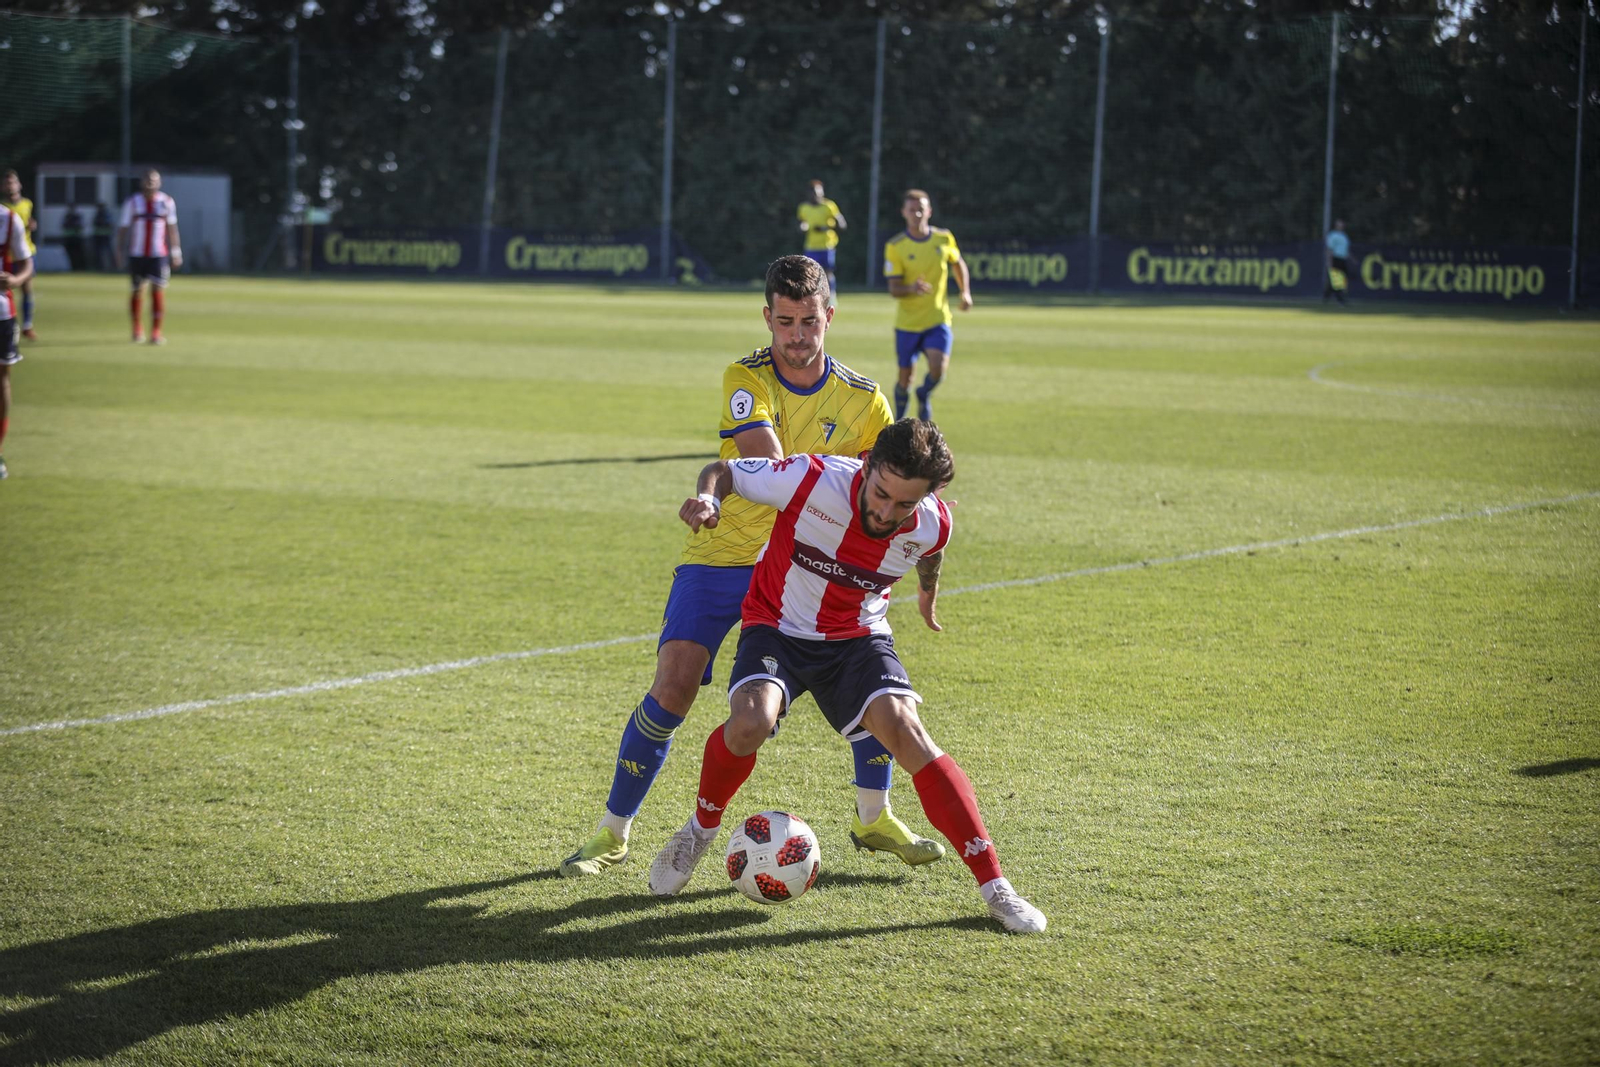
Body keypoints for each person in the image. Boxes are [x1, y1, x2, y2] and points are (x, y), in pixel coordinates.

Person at [560, 255, 945, 879]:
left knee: (869, 675)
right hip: (725, 552)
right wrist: (714, 496)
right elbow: (768, 463)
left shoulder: (867, 402)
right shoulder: (747, 376)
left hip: (810, 567)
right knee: (674, 687)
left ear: (830, 317)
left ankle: (873, 816)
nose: (797, 336)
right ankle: (612, 832)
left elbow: (882, 491)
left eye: (809, 322)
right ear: (767, 317)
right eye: (785, 321)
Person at [648, 420, 1047, 934]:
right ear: (868, 465)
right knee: (749, 722)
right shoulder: (811, 479)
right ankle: (699, 830)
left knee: (909, 732)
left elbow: (931, 546)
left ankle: (997, 888)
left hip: (857, 639)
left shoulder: (931, 522)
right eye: (881, 493)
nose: (886, 512)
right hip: (778, 626)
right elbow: (722, 470)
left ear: (927, 497)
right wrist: (709, 499)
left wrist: (929, 589)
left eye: (904, 504)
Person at [884, 189, 971, 423]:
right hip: (907, 323)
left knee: (938, 369)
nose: (917, 213)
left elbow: (958, 263)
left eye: (921, 209)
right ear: (904, 213)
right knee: (905, 378)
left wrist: (965, 292)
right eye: (912, 209)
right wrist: (912, 288)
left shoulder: (943, 238)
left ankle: (924, 394)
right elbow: (894, 288)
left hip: (937, 319)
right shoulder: (896, 246)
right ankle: (899, 421)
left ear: (929, 211)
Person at [116, 169, 182, 344]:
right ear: (141, 182)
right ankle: (137, 329)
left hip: (158, 254)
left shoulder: (166, 202)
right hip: (137, 254)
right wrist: (119, 251)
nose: (150, 182)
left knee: (157, 289)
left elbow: (172, 229)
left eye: (154, 180)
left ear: (159, 183)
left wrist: (176, 252)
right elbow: (123, 229)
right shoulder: (132, 202)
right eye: (147, 179)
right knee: (137, 290)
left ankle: (156, 332)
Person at [0, 201, 35, 479]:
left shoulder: (9, 219)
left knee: (2, 379)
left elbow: (26, 264)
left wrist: (14, 279)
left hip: (2, 313)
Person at [2, 170, 39, 340]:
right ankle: (10, 322)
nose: (11, 186)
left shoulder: (27, 204)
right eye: (7, 183)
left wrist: (32, 225)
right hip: (7, 256)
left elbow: (30, 222)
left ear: (19, 185)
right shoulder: (3, 209)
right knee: (5, 291)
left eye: (13, 182)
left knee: (26, 289)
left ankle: (27, 325)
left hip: (26, 252)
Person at [796, 179, 846, 300]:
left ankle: (831, 297)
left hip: (826, 245)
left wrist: (825, 228)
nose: (817, 197)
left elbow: (842, 224)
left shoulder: (829, 206)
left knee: (828, 272)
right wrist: (803, 227)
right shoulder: (803, 208)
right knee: (809, 273)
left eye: (819, 194)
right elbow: (800, 224)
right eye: (814, 194)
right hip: (811, 246)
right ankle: (811, 297)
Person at [1324, 219, 1350, 306]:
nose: (1341, 226)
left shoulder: (1344, 236)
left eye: (1342, 224)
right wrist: (1329, 261)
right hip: (1336, 259)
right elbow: (1329, 249)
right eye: (1339, 224)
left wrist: (1352, 259)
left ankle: (1326, 296)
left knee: (1339, 280)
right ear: (1336, 226)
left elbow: (1346, 250)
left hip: (1343, 259)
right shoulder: (1333, 236)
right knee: (1337, 280)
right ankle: (1340, 300)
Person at [61, 205, 86, 272]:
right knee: (70, 255)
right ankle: (73, 267)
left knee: (78, 254)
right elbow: (64, 226)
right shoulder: (67, 216)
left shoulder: (77, 217)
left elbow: (80, 226)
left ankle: (79, 267)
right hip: (69, 239)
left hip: (76, 239)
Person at [92, 203, 115, 271]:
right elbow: (94, 224)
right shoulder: (97, 215)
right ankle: (99, 266)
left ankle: (111, 266)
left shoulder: (107, 215)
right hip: (98, 236)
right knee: (98, 252)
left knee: (108, 252)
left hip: (105, 236)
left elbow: (110, 225)